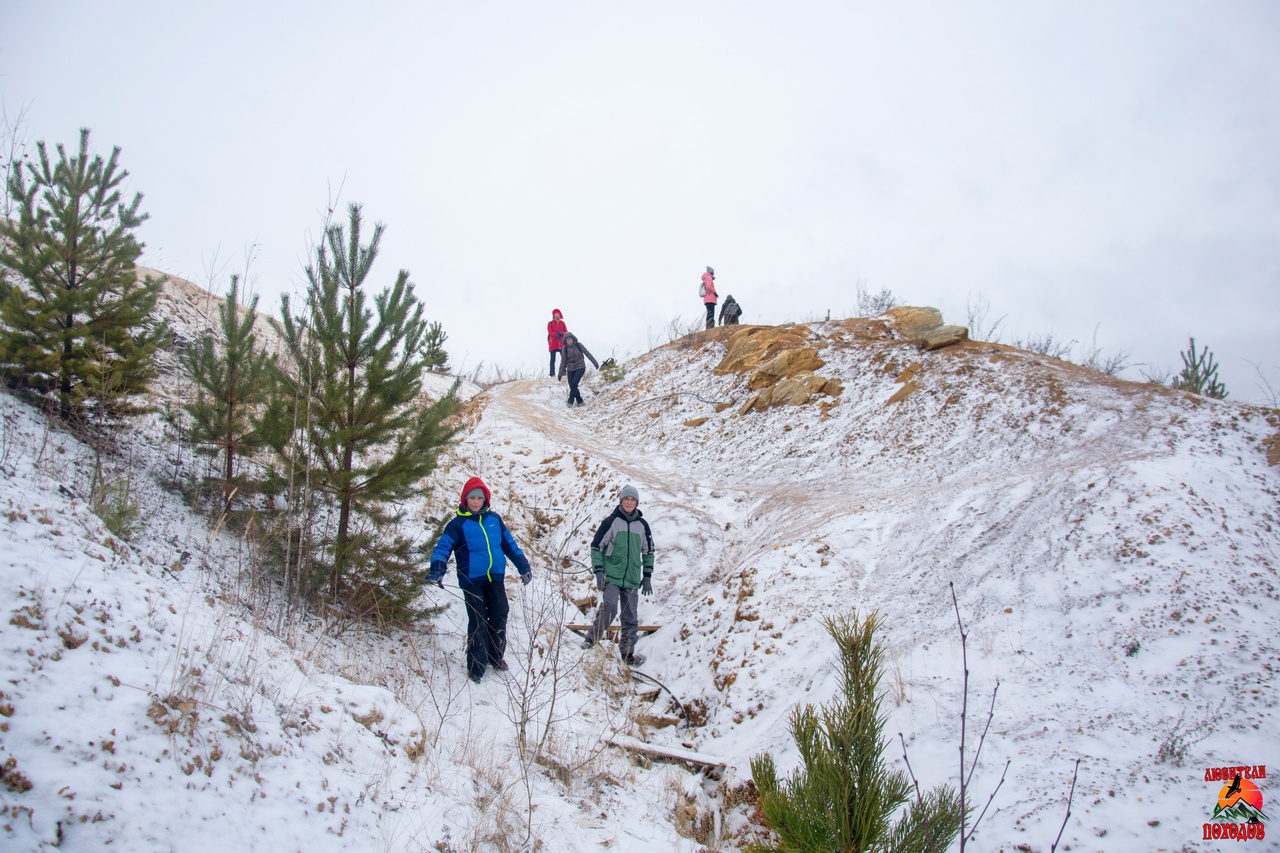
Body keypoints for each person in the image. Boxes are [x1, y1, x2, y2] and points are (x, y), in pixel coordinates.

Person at [427, 477, 533, 684]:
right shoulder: (457, 525)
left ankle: (495, 656)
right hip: (471, 579)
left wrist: (523, 566)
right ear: (464, 500)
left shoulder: (494, 520)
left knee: (501, 613)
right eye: (471, 498)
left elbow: (509, 544)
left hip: (495, 577)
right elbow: (442, 547)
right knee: (478, 620)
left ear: (486, 500)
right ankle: (476, 666)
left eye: (479, 498)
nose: (475, 502)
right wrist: (437, 568)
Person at [582, 485, 655, 666]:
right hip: (612, 576)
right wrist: (599, 571)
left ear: (637, 502)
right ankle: (591, 639)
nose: (629, 502)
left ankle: (627, 654)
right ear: (621, 501)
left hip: (631, 578)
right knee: (610, 606)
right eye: (626, 499)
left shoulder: (642, 526)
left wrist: (647, 576)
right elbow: (596, 547)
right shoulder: (611, 522)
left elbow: (648, 551)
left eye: (632, 500)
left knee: (630, 616)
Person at [557, 332, 599, 407]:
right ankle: (579, 400)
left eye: (570, 340)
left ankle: (571, 400)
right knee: (572, 386)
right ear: (565, 341)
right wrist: (560, 374)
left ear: (573, 339)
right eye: (567, 340)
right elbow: (563, 362)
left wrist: (595, 363)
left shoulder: (578, 345)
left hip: (580, 367)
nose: (569, 341)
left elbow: (587, 354)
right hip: (570, 369)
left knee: (574, 383)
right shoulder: (565, 349)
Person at [546, 308, 567, 377]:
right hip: (553, 344)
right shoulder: (550, 323)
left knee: (563, 358)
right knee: (552, 359)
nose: (557, 315)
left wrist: (561, 333)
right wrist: (556, 334)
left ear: (559, 314)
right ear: (553, 315)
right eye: (555, 314)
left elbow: (566, 332)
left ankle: (564, 372)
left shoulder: (562, 323)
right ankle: (552, 374)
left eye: (558, 314)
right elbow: (550, 332)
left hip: (561, 343)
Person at [700, 266, 718, 330]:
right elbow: (708, 287)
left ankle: (709, 326)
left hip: (707, 298)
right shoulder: (709, 278)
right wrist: (715, 292)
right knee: (711, 313)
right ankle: (710, 327)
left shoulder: (706, 278)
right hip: (710, 298)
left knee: (709, 313)